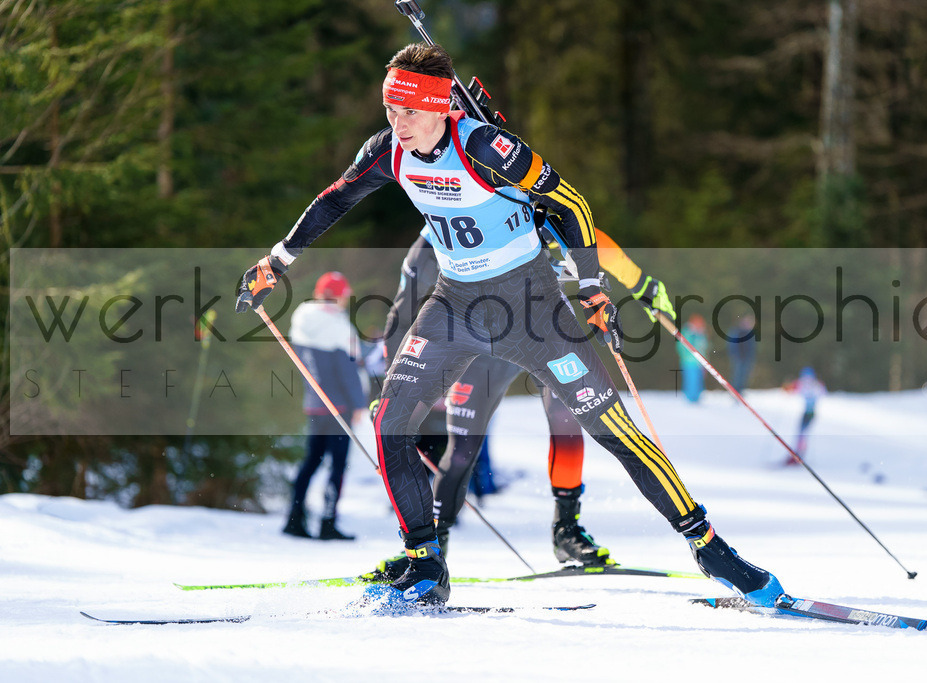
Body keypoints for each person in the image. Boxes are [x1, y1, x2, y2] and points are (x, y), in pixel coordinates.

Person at [236, 42, 784, 609]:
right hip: (454, 306)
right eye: (390, 111)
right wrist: (275, 261)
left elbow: (571, 205)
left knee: (611, 428)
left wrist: (592, 287)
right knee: (390, 419)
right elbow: (335, 199)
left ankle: (710, 548)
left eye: (410, 112)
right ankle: (425, 562)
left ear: (442, 107)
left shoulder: (485, 148)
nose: (398, 124)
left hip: (532, 307)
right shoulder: (388, 153)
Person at [364, 225, 675, 582]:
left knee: (567, 421)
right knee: (463, 448)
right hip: (479, 348)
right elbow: (403, 311)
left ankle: (567, 530)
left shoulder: (509, 196)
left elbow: (586, 234)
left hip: (541, 331)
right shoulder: (429, 243)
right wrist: (388, 393)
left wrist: (641, 284)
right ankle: (432, 548)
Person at [282, 271, 367, 540]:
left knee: (312, 461)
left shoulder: (302, 318)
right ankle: (328, 522)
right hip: (339, 406)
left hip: (314, 403)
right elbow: (348, 370)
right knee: (338, 465)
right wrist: (359, 404)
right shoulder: (339, 326)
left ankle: (294, 519)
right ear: (340, 295)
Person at [782, 367, 826, 466]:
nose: (807, 380)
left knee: (802, 433)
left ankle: (798, 455)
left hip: (810, 413)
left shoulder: (814, 385)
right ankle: (797, 454)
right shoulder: (806, 384)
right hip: (807, 412)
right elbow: (791, 388)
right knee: (801, 433)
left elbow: (822, 392)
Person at [677, 314, 708, 403]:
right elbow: (681, 347)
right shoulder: (688, 332)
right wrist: (687, 356)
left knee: (698, 382)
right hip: (689, 362)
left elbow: (704, 348)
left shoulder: (701, 334)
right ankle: (690, 399)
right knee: (691, 381)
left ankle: (696, 399)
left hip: (700, 363)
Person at [726, 314, 757, 395]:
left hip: (746, 358)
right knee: (737, 376)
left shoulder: (750, 334)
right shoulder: (737, 331)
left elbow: (752, 347)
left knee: (744, 376)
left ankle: (740, 391)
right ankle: (735, 392)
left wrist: (751, 357)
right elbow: (732, 345)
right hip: (738, 357)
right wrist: (734, 355)